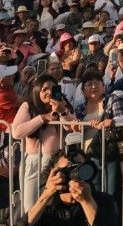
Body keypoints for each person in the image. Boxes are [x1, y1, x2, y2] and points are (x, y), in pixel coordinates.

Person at [12, 74, 77, 211]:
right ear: (37, 91)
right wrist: (42, 118)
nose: (48, 92)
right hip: (33, 161)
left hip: (54, 161)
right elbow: (17, 131)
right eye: (44, 89)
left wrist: (62, 111)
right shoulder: (28, 105)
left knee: (52, 204)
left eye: (53, 89)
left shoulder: (63, 104)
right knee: (30, 205)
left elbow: (72, 126)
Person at [13, 149, 117, 226]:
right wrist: (45, 195)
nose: (74, 175)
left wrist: (87, 201)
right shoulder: (47, 208)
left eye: (79, 168)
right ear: (52, 175)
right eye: (65, 170)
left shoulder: (103, 200)